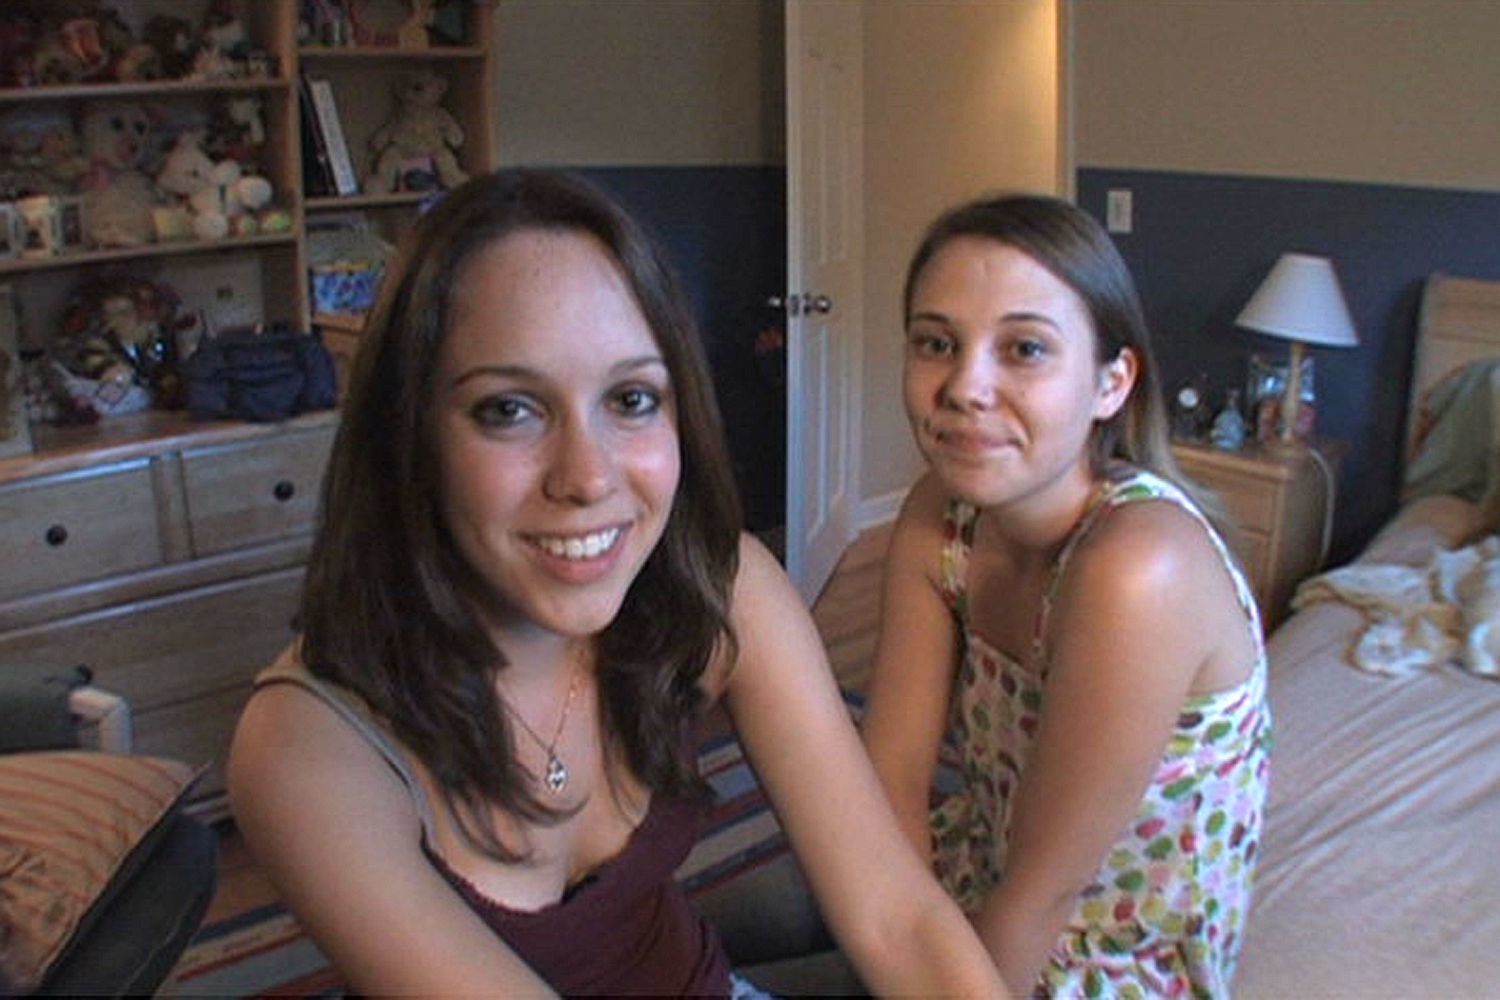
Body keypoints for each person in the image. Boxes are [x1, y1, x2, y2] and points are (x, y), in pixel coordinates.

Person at [228, 169, 1008, 998]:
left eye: (631, 398)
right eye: (509, 409)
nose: (588, 477)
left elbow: (896, 916)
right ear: (407, 435)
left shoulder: (717, 589)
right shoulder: (309, 748)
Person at [861, 193, 1272, 997]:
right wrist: (897, 939)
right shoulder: (940, 516)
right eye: (937, 343)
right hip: (973, 884)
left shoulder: (1139, 570)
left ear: (1111, 384)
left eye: (1024, 349)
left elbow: (1040, 898)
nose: (966, 387)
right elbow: (893, 783)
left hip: (1107, 959)